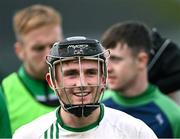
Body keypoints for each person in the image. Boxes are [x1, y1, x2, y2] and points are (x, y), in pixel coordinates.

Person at [13, 36, 157, 139]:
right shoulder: (28, 135)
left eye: (91, 72)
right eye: (71, 74)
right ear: (52, 82)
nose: (82, 83)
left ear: (103, 78)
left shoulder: (136, 132)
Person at [101, 21, 180, 138]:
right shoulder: (97, 105)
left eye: (116, 59)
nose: (108, 68)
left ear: (141, 60)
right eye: (105, 60)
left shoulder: (172, 116)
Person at [0, 4, 63, 133]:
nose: (49, 55)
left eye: (54, 45)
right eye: (38, 48)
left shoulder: (87, 86)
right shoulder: (4, 93)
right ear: (20, 51)